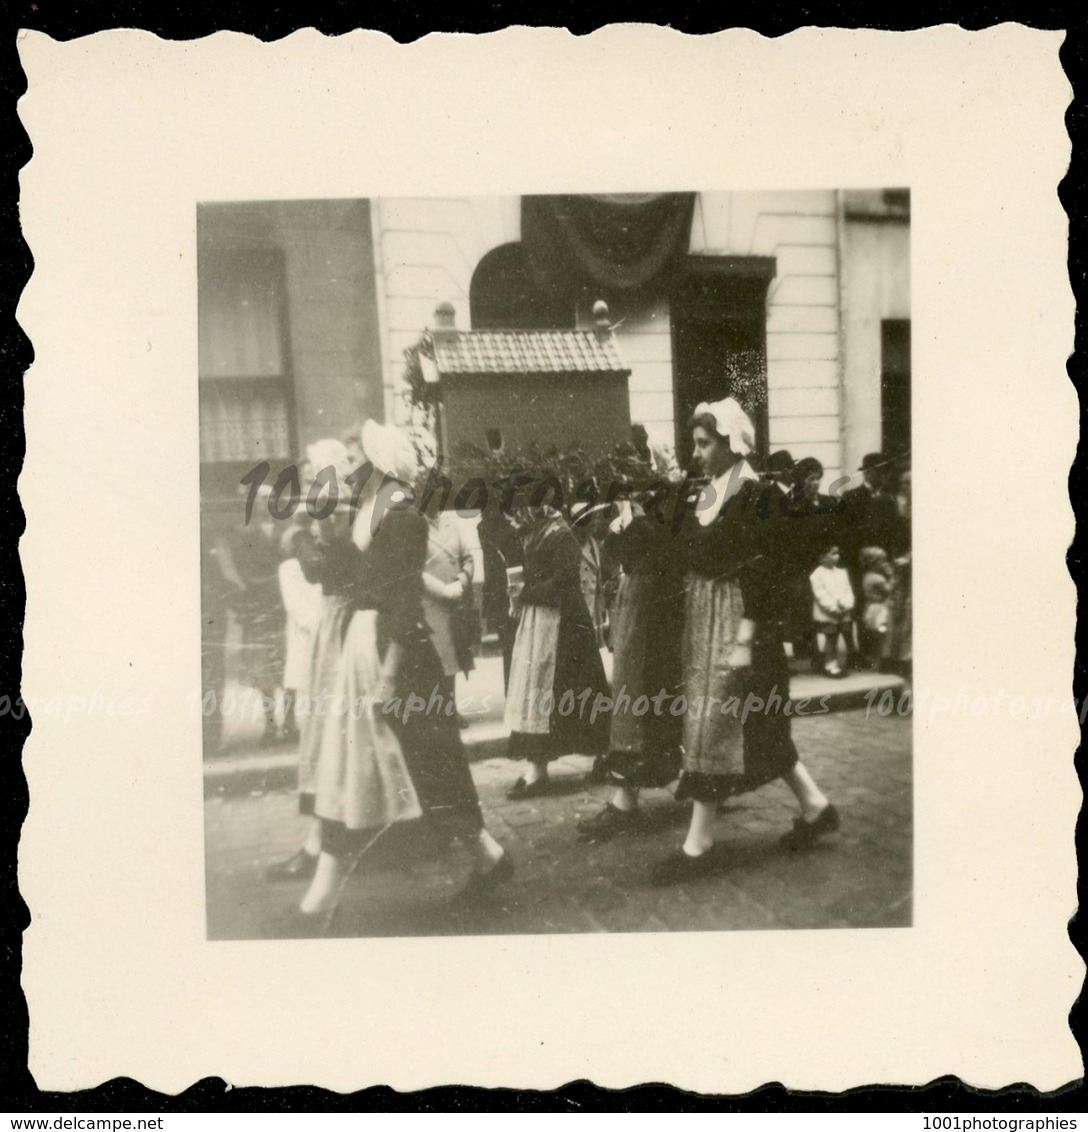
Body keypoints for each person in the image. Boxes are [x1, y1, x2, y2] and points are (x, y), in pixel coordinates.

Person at [298, 420, 510, 917]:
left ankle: (322, 897)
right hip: (367, 645)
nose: (346, 470)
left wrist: (389, 675)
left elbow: (403, 599)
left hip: (397, 655)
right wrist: (318, 525)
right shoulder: (368, 512)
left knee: (418, 762)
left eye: (353, 462)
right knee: (404, 763)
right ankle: (486, 856)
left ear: (378, 465)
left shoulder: (404, 516)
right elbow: (337, 573)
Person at [650, 398, 839, 885]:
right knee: (759, 731)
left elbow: (768, 571)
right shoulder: (710, 490)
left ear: (732, 444)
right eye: (695, 443)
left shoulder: (756, 494)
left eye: (705, 443)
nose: (697, 452)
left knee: (715, 726)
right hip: (707, 617)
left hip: (739, 624)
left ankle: (699, 843)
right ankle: (816, 807)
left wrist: (745, 639)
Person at [265, 439, 360, 883]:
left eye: (310, 474)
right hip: (336, 627)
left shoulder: (341, 513)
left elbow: (323, 568)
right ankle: (320, 844)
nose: (305, 482)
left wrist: (300, 537)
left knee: (341, 738)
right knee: (331, 738)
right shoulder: (328, 511)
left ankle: (324, 847)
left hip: (348, 628)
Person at [577, 472, 687, 841]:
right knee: (637, 695)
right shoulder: (639, 519)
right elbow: (614, 553)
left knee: (641, 697)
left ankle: (630, 799)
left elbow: (656, 551)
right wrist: (623, 524)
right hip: (640, 607)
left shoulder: (661, 515)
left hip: (653, 613)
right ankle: (636, 793)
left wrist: (631, 522)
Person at [503, 483, 611, 799]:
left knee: (575, 690)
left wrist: (526, 593)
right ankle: (537, 769)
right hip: (539, 621)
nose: (524, 515)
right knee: (537, 690)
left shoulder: (560, 534)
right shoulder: (535, 531)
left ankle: (604, 755)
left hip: (565, 625)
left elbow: (564, 581)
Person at [227, 484, 286, 745]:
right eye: (260, 500)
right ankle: (272, 723)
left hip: (286, 606)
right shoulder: (244, 535)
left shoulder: (286, 531)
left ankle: (293, 722)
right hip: (261, 607)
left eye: (269, 499)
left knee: (290, 664)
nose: (265, 504)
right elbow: (244, 571)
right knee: (264, 670)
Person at [420, 496, 476, 720]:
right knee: (437, 657)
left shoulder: (452, 526)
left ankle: (451, 709)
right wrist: (442, 589)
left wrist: (462, 581)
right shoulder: (416, 527)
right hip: (431, 603)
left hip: (455, 602)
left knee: (453, 657)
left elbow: (469, 558)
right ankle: (437, 711)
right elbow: (413, 568)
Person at [277, 521, 325, 743]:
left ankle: (320, 723)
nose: (307, 544)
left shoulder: (319, 564)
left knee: (319, 675)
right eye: (301, 541)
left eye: (309, 539)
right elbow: (293, 603)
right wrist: (312, 624)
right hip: (301, 629)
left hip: (322, 626)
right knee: (295, 677)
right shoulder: (288, 568)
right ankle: (288, 723)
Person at [809, 544, 857, 677]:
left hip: (844, 611)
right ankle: (830, 665)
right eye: (833, 554)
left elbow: (848, 590)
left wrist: (847, 604)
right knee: (831, 638)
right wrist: (833, 608)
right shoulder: (816, 575)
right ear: (822, 557)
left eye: (838, 553)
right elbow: (820, 595)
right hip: (828, 613)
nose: (837, 556)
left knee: (844, 634)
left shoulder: (842, 573)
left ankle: (840, 661)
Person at [857, 546, 893, 667]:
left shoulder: (867, 575)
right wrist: (892, 575)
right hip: (879, 609)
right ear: (874, 563)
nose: (885, 563)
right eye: (882, 561)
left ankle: (878, 662)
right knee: (883, 637)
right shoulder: (878, 578)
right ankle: (882, 662)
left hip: (871, 608)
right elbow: (890, 590)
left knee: (877, 637)